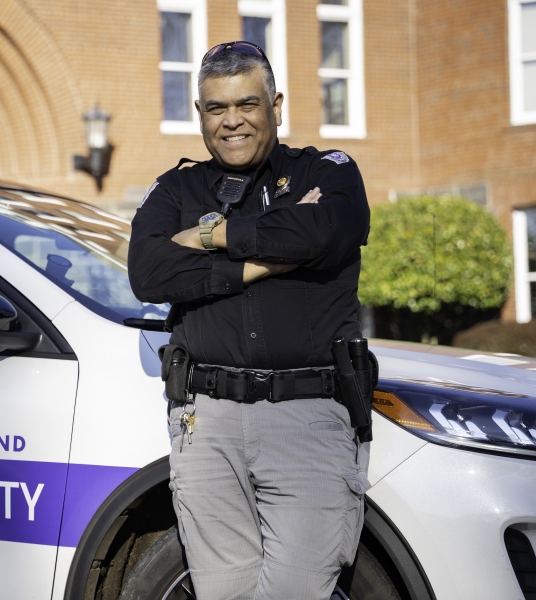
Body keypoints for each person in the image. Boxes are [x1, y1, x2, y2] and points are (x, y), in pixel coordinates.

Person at [128, 41, 372, 600]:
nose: (232, 121)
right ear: (200, 114)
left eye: (247, 104)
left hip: (309, 416)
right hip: (205, 422)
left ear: (276, 105)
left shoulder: (328, 170)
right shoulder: (175, 189)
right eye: (216, 108)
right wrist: (274, 255)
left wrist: (211, 237)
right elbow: (149, 271)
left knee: (295, 592)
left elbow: (327, 230)